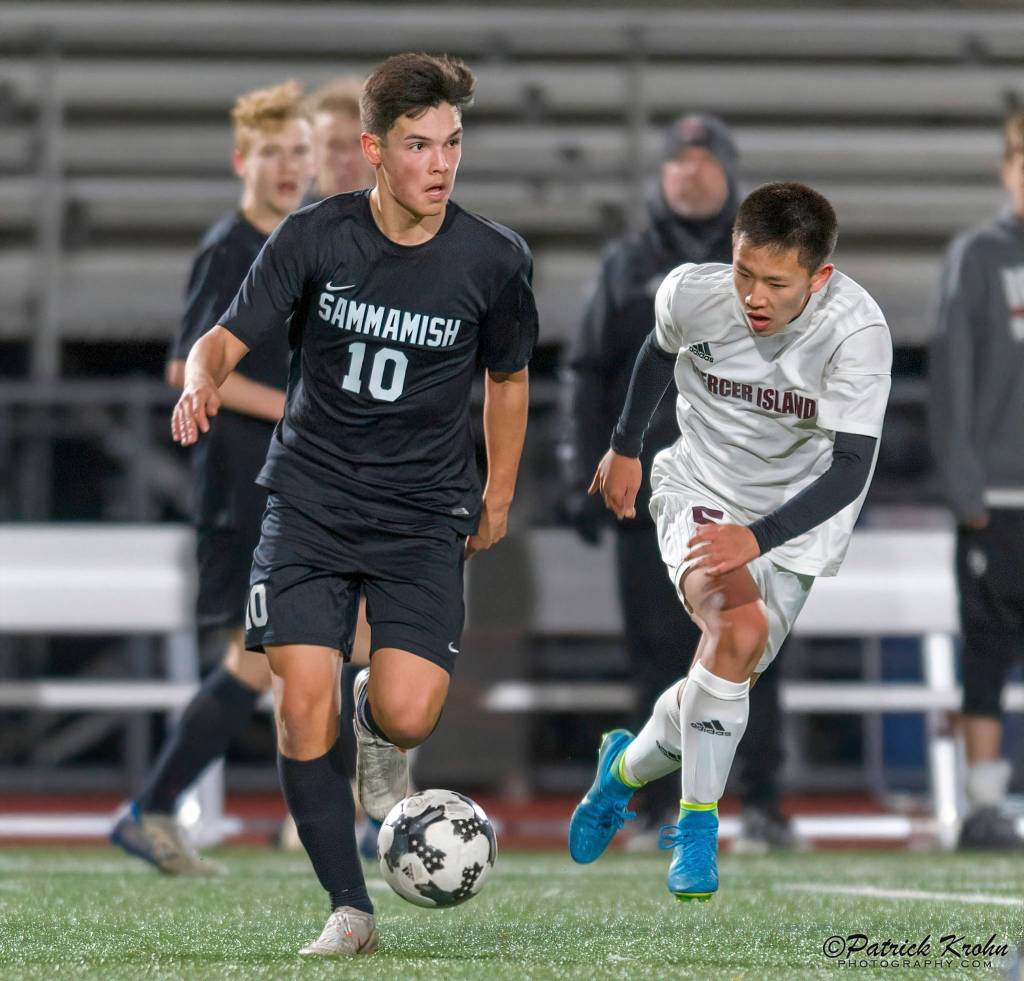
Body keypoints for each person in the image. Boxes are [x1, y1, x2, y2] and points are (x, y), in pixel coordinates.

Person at [171, 53, 537, 955]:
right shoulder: (314, 236)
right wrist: (199, 378)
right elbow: (223, 336)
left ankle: (381, 720)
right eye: (419, 144)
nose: (441, 163)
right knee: (301, 702)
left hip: (422, 515)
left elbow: (509, 380)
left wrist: (498, 491)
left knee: (410, 712)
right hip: (310, 502)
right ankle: (350, 905)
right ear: (373, 149)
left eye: (453, 142)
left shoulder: (494, 258)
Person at [569, 182, 891, 901]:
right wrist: (624, 447)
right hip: (700, 489)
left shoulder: (858, 333)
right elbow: (657, 351)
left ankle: (620, 772)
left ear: (820, 277)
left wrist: (762, 535)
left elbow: (851, 468)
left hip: (792, 518)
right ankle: (698, 824)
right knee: (734, 625)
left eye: (777, 282)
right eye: (744, 272)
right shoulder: (693, 293)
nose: (754, 294)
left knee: (723, 675)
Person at [563, 113, 796, 851]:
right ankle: (660, 807)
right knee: (658, 649)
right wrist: (583, 471)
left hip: (747, 492)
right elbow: (587, 369)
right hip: (657, 493)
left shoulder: (769, 261)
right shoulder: (628, 263)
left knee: (755, 646)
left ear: (728, 171)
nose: (689, 172)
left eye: (703, 159)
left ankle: (760, 803)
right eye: (677, 161)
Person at [111, 80, 316, 875]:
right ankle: (155, 806)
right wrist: (295, 410)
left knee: (295, 651)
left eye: (300, 152)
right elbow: (186, 366)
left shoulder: (295, 244)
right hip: (240, 489)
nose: (290, 166)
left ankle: (168, 808)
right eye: (274, 153)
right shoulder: (230, 246)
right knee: (261, 657)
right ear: (243, 162)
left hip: (288, 486)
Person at [929, 110, 1024, 851]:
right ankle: (984, 808)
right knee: (988, 652)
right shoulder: (979, 255)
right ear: (1005, 166)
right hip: (997, 499)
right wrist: (965, 491)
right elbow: (951, 378)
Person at [308, 77, 376, 198]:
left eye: (357, 144)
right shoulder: (287, 213)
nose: (346, 160)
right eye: (335, 146)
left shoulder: (406, 212)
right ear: (312, 152)